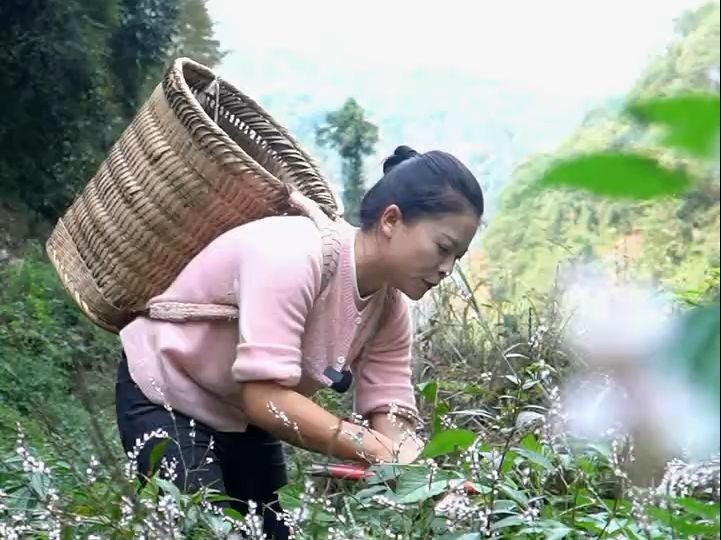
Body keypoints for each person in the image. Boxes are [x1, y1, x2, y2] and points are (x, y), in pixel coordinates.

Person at [115, 145, 484, 538]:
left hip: (240, 417)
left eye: (457, 257)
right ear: (392, 220)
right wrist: (377, 450)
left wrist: (425, 476)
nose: (446, 269)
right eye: (443, 248)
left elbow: (391, 415)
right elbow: (265, 397)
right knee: (207, 530)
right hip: (167, 393)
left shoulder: (389, 309)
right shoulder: (294, 256)